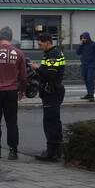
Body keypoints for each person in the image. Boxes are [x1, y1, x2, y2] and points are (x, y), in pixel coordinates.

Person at [0, 27, 28, 160]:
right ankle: (13, 151)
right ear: (10, 37)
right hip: (11, 91)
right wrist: (22, 91)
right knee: (12, 122)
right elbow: (24, 77)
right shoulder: (19, 53)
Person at [31, 33, 66, 161]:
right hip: (53, 91)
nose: (39, 47)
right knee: (55, 122)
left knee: (50, 123)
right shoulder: (53, 53)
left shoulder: (53, 55)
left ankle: (50, 153)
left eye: (40, 44)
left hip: (52, 92)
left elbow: (50, 74)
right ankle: (57, 151)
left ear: (48, 42)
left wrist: (37, 68)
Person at [75, 31, 95, 101]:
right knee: (86, 79)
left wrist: (94, 63)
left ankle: (91, 95)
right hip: (84, 65)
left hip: (92, 65)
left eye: (84, 38)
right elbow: (77, 53)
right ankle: (89, 94)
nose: (83, 39)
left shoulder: (94, 45)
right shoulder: (83, 45)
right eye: (82, 38)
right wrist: (80, 45)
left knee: (90, 79)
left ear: (88, 37)